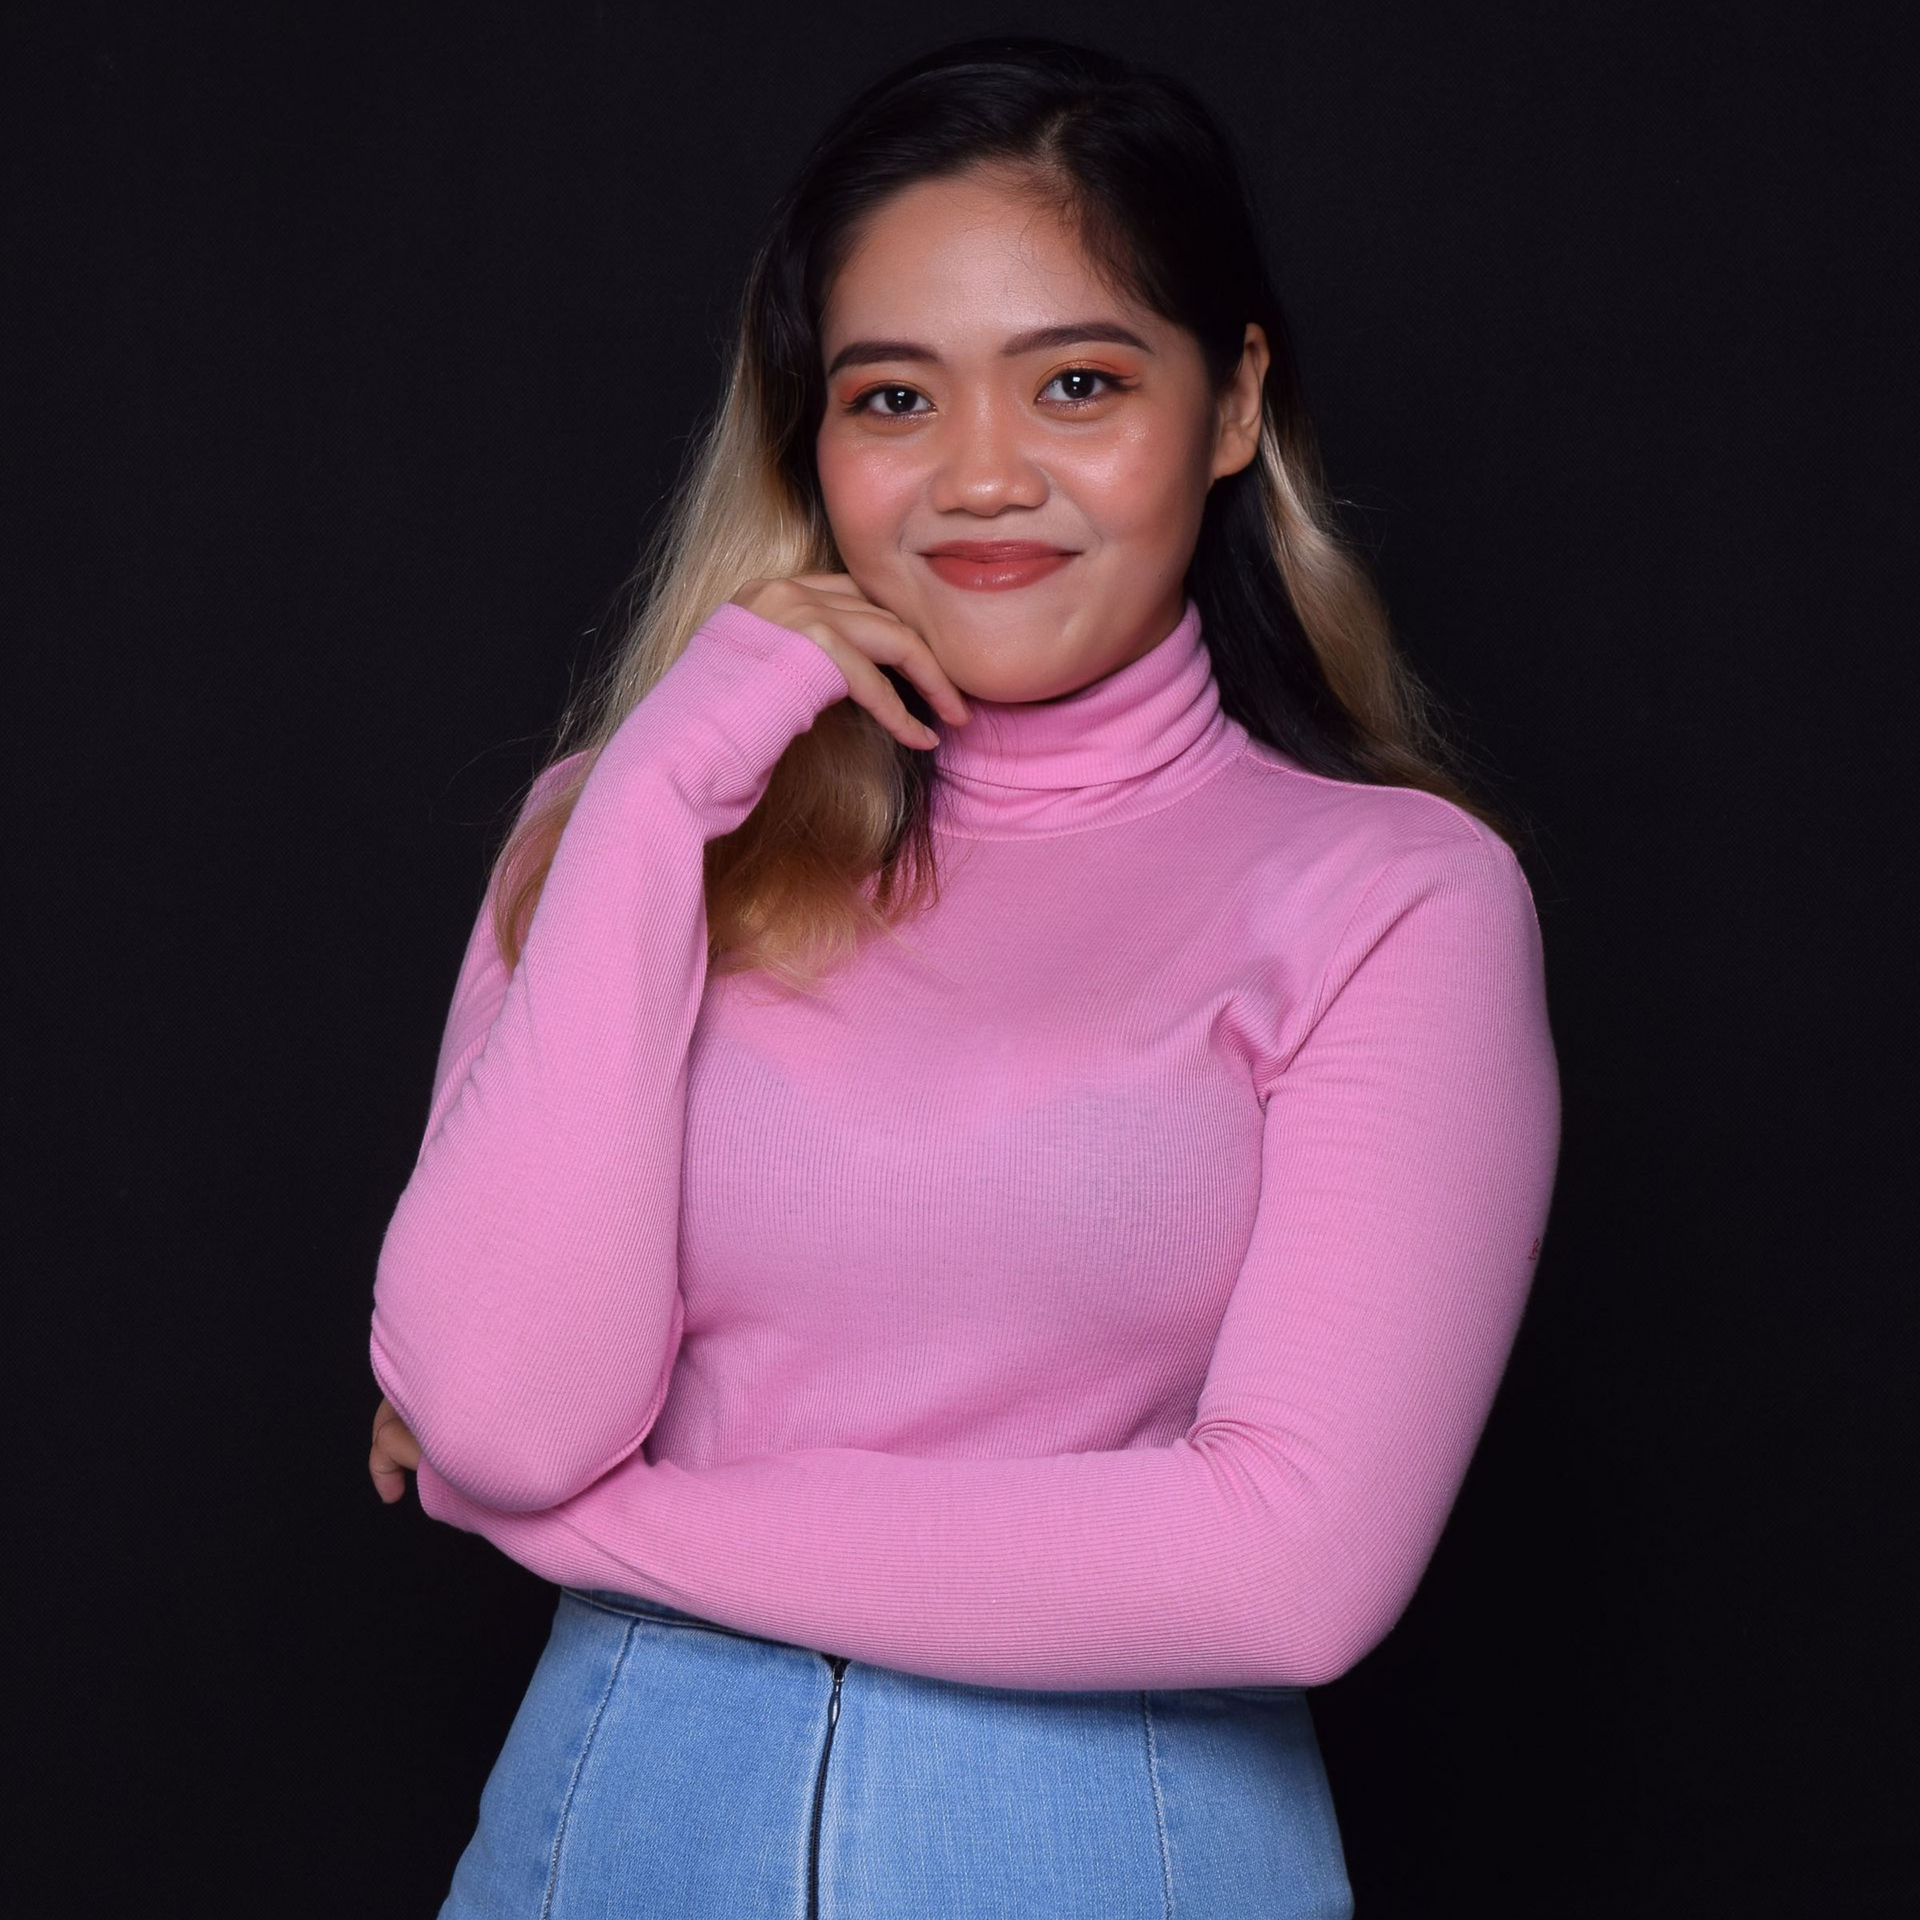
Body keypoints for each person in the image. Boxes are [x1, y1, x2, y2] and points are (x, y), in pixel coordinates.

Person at [365, 33, 1561, 1920]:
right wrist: (671, 773)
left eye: (1078, 381)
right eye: (894, 397)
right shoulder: (624, 830)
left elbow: (1288, 1571)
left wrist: (598, 1524)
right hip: (594, 1855)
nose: (983, 479)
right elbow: (507, 1409)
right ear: (808, 439)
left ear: (1234, 402)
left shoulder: (1396, 898)